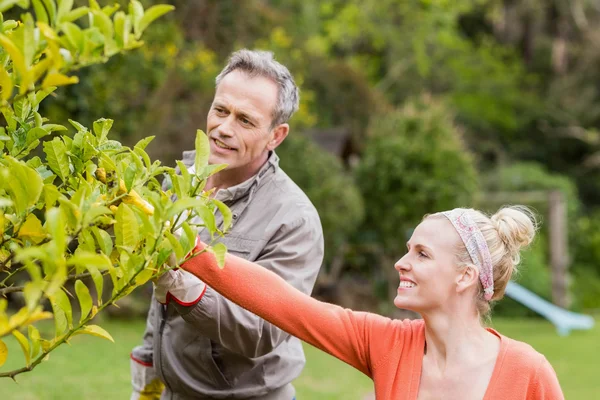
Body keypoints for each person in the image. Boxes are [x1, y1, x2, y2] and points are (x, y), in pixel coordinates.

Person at [180, 206, 565, 399]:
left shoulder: (528, 372)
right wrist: (187, 250)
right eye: (407, 250)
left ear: (464, 276)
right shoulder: (385, 343)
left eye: (422, 254)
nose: (402, 263)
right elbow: (286, 304)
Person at [130, 49, 324, 400]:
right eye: (220, 110)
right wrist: (146, 373)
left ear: (276, 135)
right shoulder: (177, 183)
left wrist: (182, 285)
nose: (223, 128)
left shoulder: (294, 219)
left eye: (245, 120)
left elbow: (262, 331)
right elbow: (159, 305)